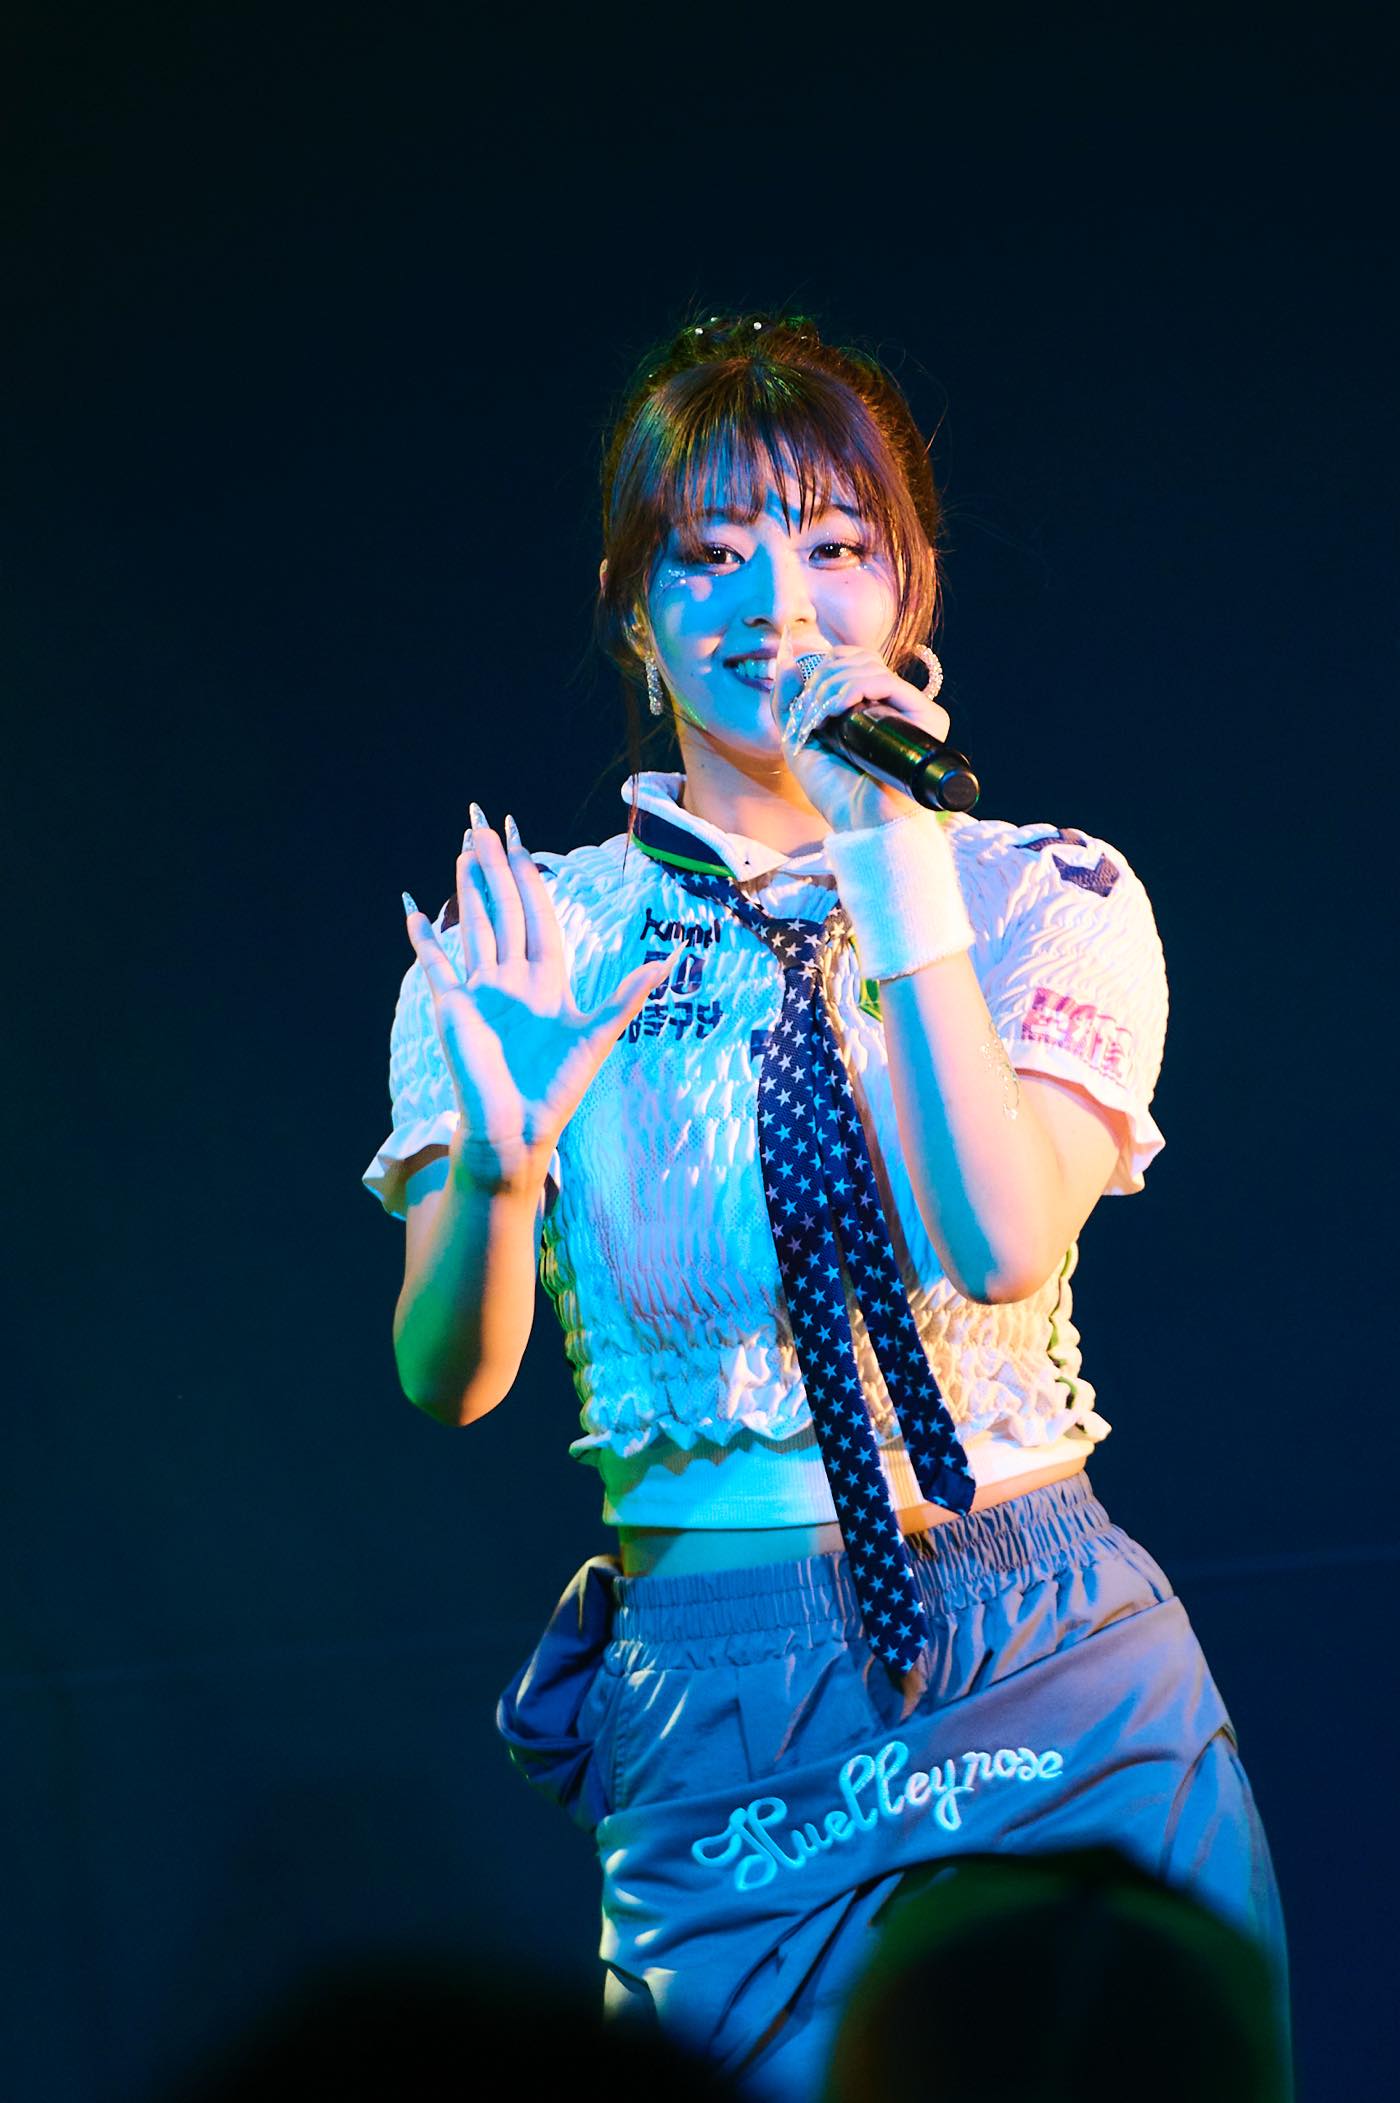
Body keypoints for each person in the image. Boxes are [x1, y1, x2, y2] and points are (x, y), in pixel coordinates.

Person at [362, 313, 1292, 2101]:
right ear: (635, 614)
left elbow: (999, 1245)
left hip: (1049, 1663)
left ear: (906, 589)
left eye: (834, 546)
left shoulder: (1041, 896)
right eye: (710, 554)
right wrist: (497, 1161)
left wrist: (894, 867)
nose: (776, 605)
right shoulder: (535, 938)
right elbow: (446, 1377)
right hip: (723, 1695)